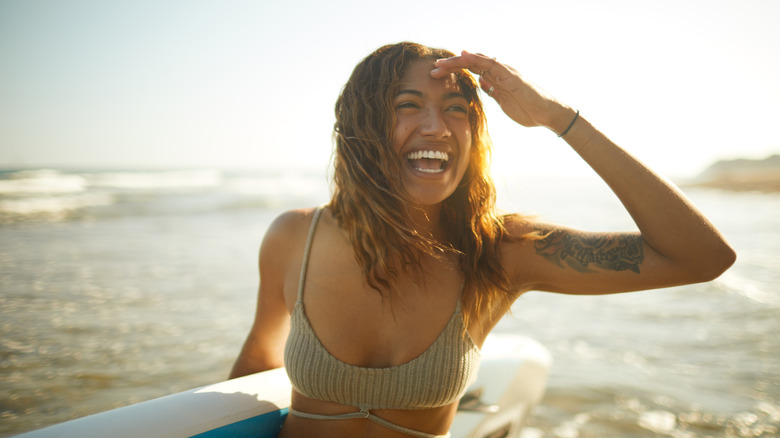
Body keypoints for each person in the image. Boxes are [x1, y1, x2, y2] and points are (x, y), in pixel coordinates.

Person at [229, 42, 735, 438]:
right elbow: (256, 360)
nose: (438, 127)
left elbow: (701, 255)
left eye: (457, 109)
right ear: (364, 125)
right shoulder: (296, 237)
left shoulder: (499, 251)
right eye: (409, 105)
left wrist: (557, 117)